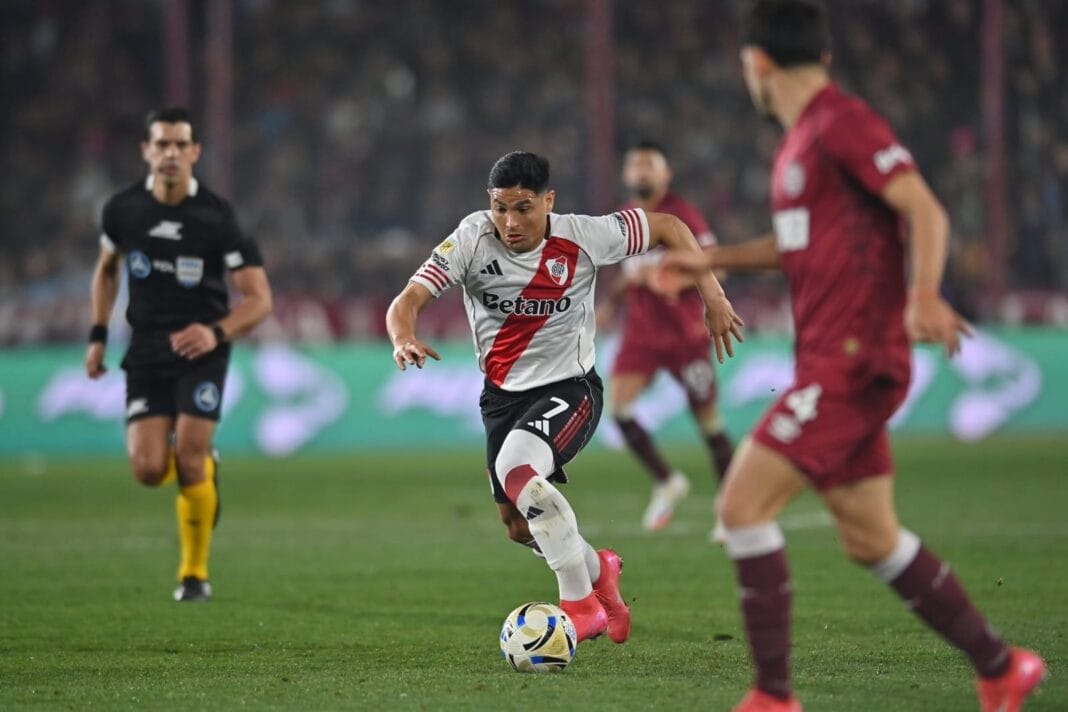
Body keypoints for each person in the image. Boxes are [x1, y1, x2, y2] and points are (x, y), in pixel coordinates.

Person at [661, 2, 1046, 710]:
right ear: (822, 56)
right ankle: (1001, 666)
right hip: (830, 363)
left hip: (853, 360)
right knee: (871, 538)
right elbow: (795, 248)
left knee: (743, 505)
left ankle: (772, 697)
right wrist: (708, 263)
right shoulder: (799, 147)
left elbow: (923, 208)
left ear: (758, 64)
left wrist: (925, 294)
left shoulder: (841, 123)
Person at [386, 151, 743, 643]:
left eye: (524, 208)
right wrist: (402, 336)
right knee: (516, 524)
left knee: (518, 471)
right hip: (501, 398)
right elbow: (407, 300)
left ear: (548, 201)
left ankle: (578, 606)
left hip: (570, 389)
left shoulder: (583, 235)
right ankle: (600, 572)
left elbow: (671, 228)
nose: (510, 222)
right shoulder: (470, 238)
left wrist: (715, 297)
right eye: (500, 208)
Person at [84, 107, 273, 602]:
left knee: (188, 459)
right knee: (148, 470)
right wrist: (98, 333)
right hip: (145, 348)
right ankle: (201, 468)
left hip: (201, 349)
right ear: (146, 150)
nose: (170, 153)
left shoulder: (217, 217)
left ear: (194, 152)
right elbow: (106, 270)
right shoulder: (122, 210)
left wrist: (215, 332)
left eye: (179, 144)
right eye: (161, 144)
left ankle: (194, 574)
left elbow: (259, 300)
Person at [598, 140, 734, 533]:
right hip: (641, 334)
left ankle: (730, 510)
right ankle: (667, 481)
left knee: (708, 422)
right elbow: (630, 274)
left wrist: (676, 277)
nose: (641, 172)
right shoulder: (623, 218)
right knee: (619, 409)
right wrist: (611, 303)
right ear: (627, 175)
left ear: (664, 174)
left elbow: (716, 267)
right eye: (635, 165)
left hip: (684, 334)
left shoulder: (682, 215)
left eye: (649, 165)